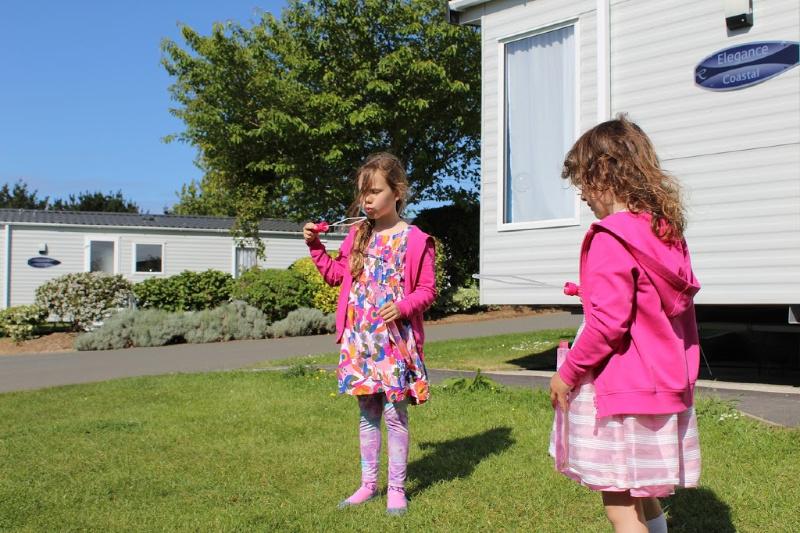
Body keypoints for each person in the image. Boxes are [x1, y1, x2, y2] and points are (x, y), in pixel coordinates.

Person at [549, 115, 701, 533]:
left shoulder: (609, 237)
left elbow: (607, 326)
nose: (581, 194)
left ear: (605, 173)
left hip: (619, 390)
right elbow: (642, 306)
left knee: (620, 508)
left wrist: (568, 373)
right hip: (660, 388)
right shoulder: (665, 231)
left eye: (583, 180)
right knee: (645, 496)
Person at [303, 152, 436, 516]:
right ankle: (367, 485)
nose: (367, 200)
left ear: (398, 191)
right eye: (364, 193)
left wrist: (404, 306)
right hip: (360, 341)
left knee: (395, 415)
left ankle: (396, 488)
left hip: (393, 344)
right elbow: (335, 276)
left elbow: (427, 290)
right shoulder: (357, 235)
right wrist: (315, 246)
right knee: (367, 415)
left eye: (375, 191)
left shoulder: (415, 239)